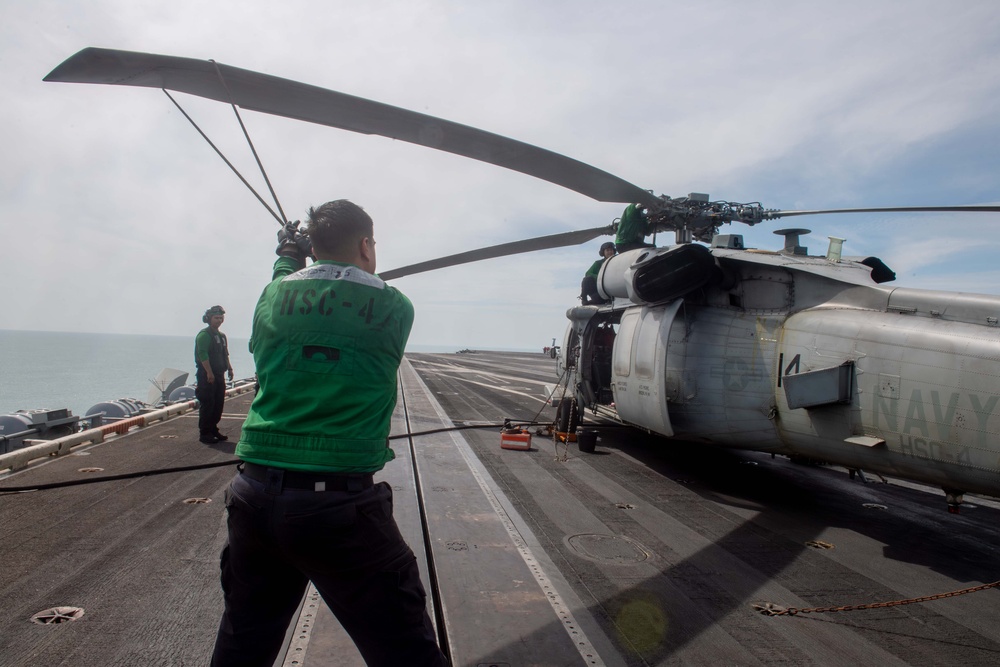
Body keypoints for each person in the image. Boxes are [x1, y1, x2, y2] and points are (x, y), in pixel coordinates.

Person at [210, 200, 448, 667]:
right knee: (407, 651)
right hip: (338, 509)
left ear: (311, 247)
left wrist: (287, 252)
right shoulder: (394, 306)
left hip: (254, 498)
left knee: (243, 642)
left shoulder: (272, 296)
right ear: (365, 244)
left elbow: (282, 286)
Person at [194, 305, 234, 444]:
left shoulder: (222, 336)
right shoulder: (204, 335)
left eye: (221, 317)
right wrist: (209, 373)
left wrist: (229, 368)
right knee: (208, 403)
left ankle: (213, 429)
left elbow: (225, 354)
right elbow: (202, 354)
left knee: (218, 403)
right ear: (209, 319)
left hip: (219, 374)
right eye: (216, 318)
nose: (219, 320)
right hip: (207, 376)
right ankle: (204, 433)